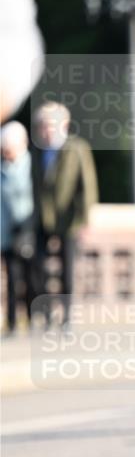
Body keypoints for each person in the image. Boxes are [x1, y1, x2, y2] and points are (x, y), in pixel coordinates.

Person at [31, 101, 98, 326]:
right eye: (42, 126)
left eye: (51, 125)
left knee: (67, 269)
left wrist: (85, 220)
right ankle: (46, 314)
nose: (46, 131)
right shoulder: (36, 150)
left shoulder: (77, 147)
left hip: (69, 218)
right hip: (42, 218)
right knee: (38, 266)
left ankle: (67, 317)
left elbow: (86, 186)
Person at [1, 121, 36, 333]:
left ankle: (34, 317)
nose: (6, 153)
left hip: (28, 228)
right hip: (6, 231)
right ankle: (12, 322)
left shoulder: (32, 165)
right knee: (12, 278)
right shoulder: (2, 168)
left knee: (31, 276)